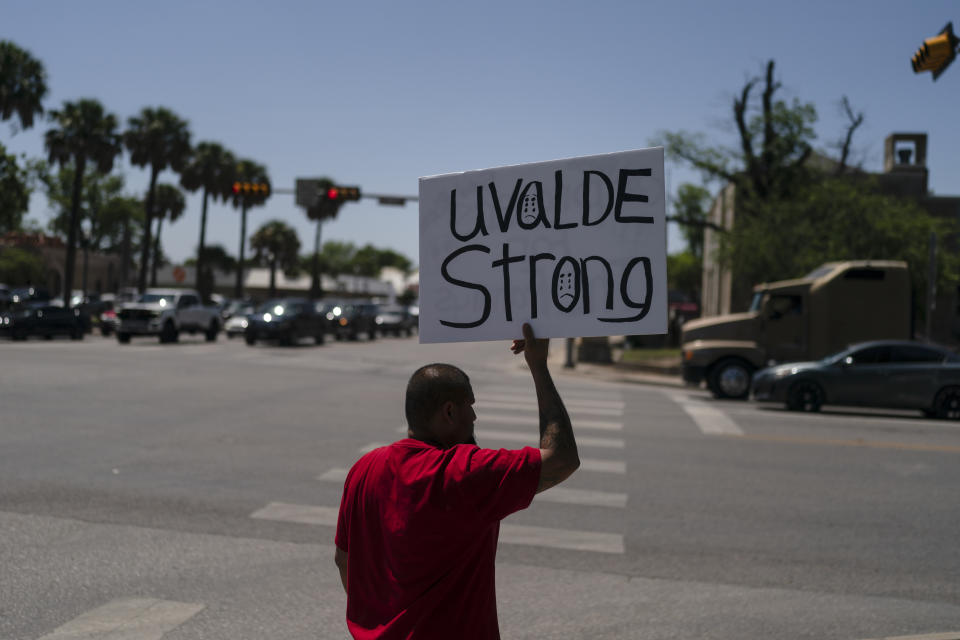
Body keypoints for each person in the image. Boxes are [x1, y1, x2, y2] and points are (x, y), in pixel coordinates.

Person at [334, 322, 580, 639]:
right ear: (449, 412)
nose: (475, 418)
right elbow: (562, 458)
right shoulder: (465, 472)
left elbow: (344, 559)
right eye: (471, 407)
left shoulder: (365, 468)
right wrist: (538, 366)